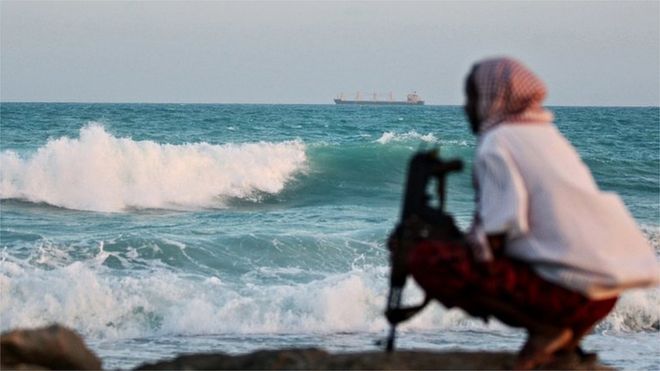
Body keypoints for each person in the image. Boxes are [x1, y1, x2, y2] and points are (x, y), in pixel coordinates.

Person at [398, 57, 659, 369]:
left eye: (471, 98)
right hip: (604, 297)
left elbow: (497, 234)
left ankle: (547, 329)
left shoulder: (497, 143)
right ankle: (567, 340)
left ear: (492, 99)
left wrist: (433, 244)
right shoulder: (548, 137)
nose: (466, 107)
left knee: (428, 260)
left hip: (564, 298)